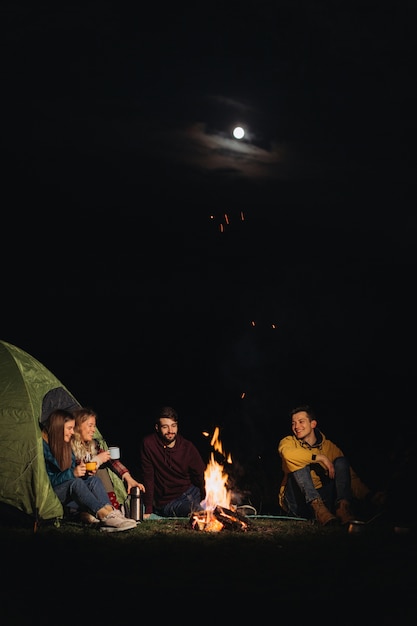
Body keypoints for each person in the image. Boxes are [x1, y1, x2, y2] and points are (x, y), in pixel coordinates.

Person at [278, 405, 384, 526]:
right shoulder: (288, 441)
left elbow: (349, 477)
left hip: (324, 499)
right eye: (293, 423)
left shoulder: (329, 447)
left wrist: (369, 495)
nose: (296, 427)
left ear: (313, 424)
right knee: (298, 463)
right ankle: (318, 509)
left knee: (341, 461)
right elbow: (287, 455)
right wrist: (319, 458)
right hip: (297, 501)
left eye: (301, 422)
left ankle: (343, 508)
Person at [41, 409, 137, 532]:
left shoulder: (66, 445)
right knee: (75, 482)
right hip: (51, 493)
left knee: (94, 480)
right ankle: (104, 516)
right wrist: (73, 472)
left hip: (70, 490)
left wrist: (127, 476)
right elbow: (46, 481)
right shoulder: (44, 448)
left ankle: (112, 513)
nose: (72, 431)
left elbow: (110, 459)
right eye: (70, 428)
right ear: (58, 428)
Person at [71, 407, 145, 513]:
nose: (93, 430)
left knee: (104, 465)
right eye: (90, 425)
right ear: (78, 426)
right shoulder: (70, 447)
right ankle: (108, 509)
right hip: (78, 494)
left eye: (94, 426)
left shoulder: (92, 445)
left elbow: (111, 460)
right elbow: (77, 469)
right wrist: (97, 461)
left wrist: (128, 478)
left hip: (93, 488)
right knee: (99, 468)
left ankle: (112, 507)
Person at [139, 405, 206, 518]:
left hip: (191, 491)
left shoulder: (187, 447)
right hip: (169, 501)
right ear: (157, 427)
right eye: (165, 427)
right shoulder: (149, 444)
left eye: (173, 426)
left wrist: (206, 497)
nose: (170, 431)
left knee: (218, 502)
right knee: (197, 510)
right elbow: (148, 477)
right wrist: (148, 510)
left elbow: (201, 475)